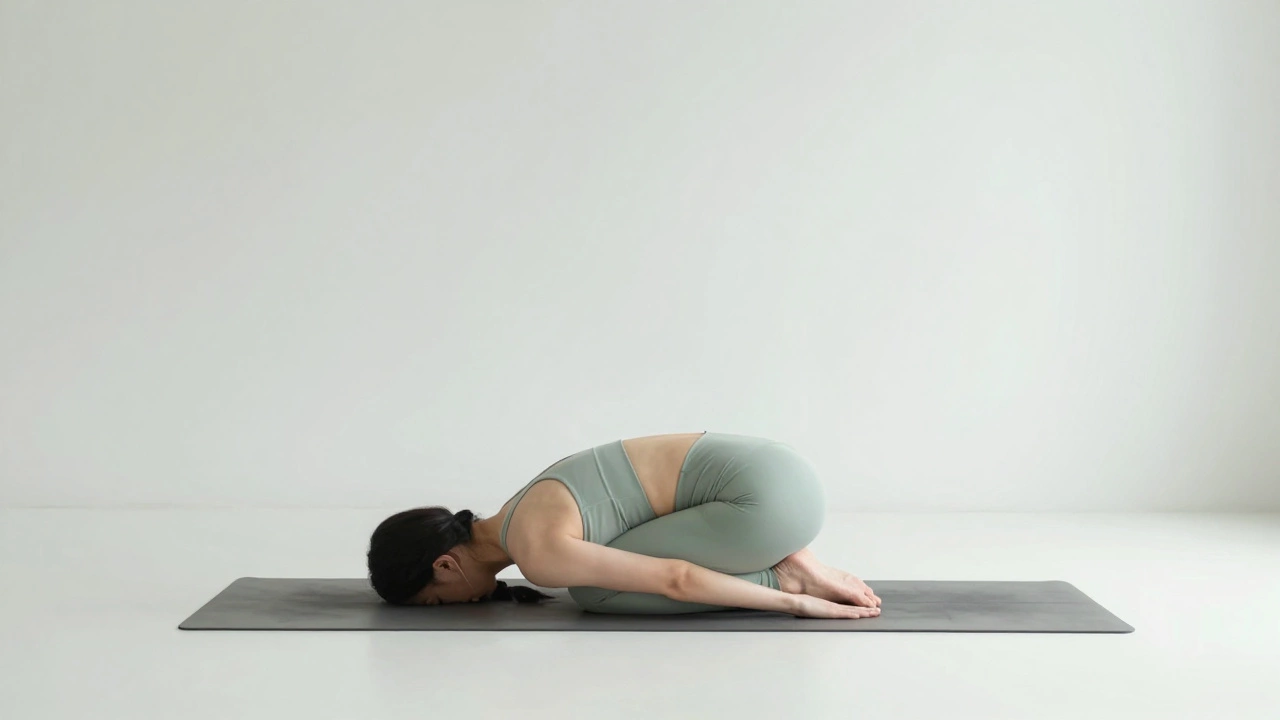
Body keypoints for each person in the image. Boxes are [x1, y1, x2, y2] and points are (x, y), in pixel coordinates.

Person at [367, 432, 882, 618]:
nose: (447, 609)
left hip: (766, 506)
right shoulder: (518, 506)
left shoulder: (537, 551)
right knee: (603, 571)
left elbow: (674, 578)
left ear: (444, 564)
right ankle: (794, 556)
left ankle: (788, 572)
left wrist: (794, 602)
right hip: (782, 470)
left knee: (593, 592)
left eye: (434, 600)